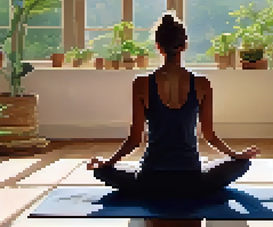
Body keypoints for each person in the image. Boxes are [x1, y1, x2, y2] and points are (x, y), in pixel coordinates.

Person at [87, 12, 260, 199]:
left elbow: (135, 139)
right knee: (242, 164)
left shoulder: (141, 83)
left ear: (159, 47)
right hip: (192, 179)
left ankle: (143, 186)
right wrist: (236, 155)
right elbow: (209, 135)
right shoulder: (202, 84)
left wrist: (109, 163)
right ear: (185, 45)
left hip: (150, 179)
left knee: (101, 171)